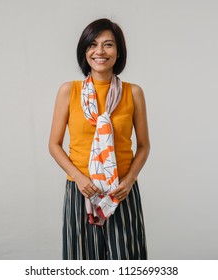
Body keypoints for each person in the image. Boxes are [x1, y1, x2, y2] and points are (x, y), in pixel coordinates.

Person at [49, 18, 150, 260]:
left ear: (119, 52)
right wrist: (79, 178)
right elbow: (54, 144)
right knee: (82, 260)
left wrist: (129, 180)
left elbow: (144, 146)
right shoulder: (68, 91)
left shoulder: (133, 92)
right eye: (93, 45)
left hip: (121, 190)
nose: (100, 52)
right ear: (85, 51)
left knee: (127, 260)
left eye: (108, 45)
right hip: (81, 190)